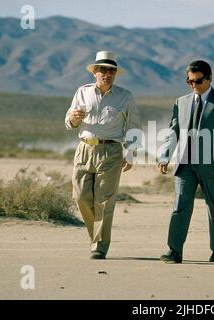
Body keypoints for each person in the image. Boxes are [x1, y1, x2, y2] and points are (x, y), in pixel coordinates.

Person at [158, 60, 214, 263]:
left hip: (212, 164)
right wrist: (165, 155)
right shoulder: (181, 102)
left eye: (198, 81)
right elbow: (173, 130)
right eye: (189, 81)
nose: (194, 85)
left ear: (210, 78)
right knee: (180, 205)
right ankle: (174, 251)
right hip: (185, 163)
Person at [65, 51, 140, 259]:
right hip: (84, 149)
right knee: (79, 197)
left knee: (104, 201)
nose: (107, 73)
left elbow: (134, 126)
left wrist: (131, 153)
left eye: (111, 70)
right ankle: (95, 236)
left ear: (115, 73)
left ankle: (99, 246)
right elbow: (68, 123)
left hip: (111, 151)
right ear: (94, 72)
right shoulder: (82, 92)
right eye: (102, 70)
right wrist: (74, 118)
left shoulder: (125, 96)